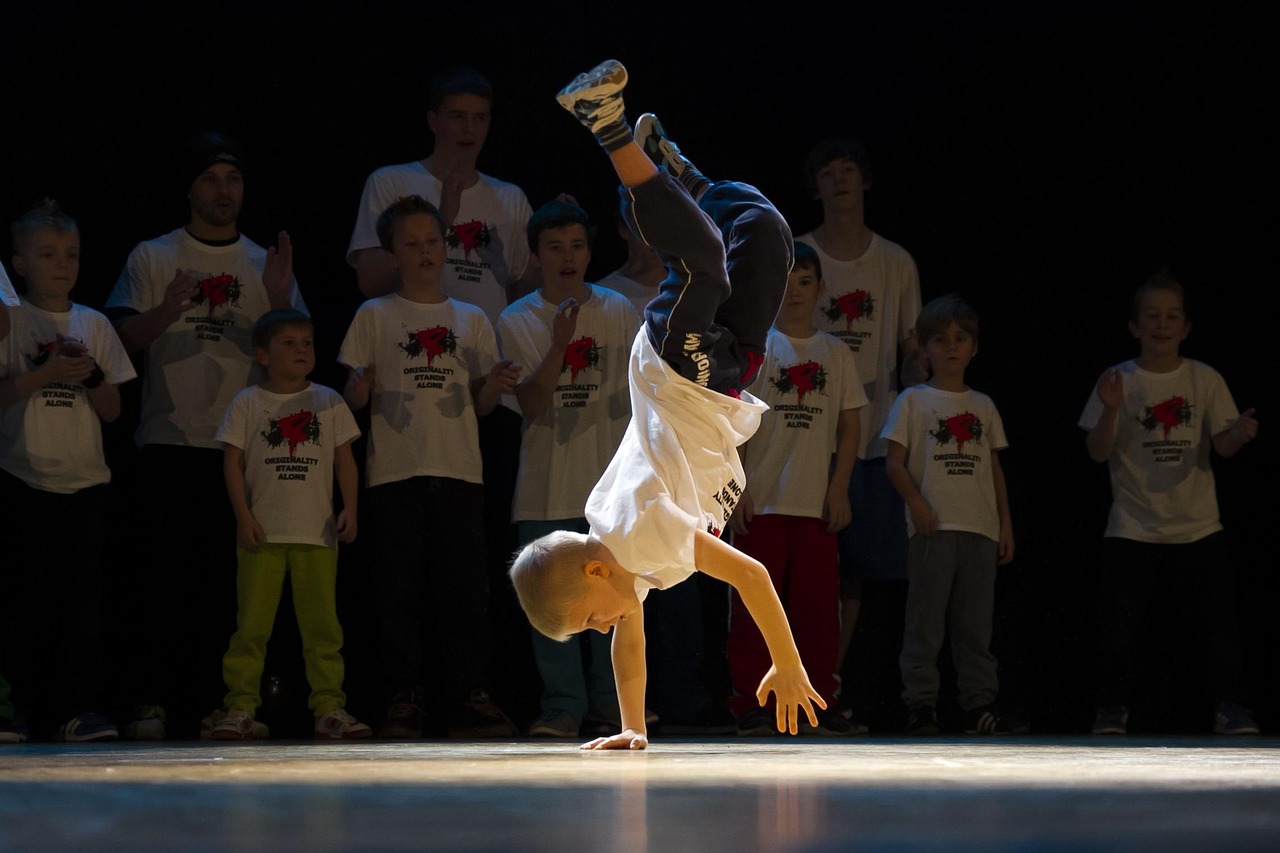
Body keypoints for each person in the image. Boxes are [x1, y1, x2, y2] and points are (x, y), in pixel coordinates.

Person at [510, 59, 822, 751]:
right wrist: (630, 727)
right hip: (721, 382)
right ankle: (679, 173)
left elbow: (752, 573)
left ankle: (607, 126)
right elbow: (631, 645)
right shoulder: (628, 563)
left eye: (590, 619)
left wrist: (787, 660)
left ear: (596, 572)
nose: (604, 628)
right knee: (767, 236)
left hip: (678, 371)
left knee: (702, 262)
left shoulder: (635, 535)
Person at [105, 131, 306, 737]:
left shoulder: (259, 261)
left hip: (239, 445)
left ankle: (226, 703)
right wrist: (166, 312)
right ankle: (153, 699)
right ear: (190, 188)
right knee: (162, 578)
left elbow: (297, 352)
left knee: (231, 587)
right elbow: (113, 342)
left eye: (234, 179)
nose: (224, 191)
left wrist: (275, 297)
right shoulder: (153, 255)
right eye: (212, 179)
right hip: (169, 439)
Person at [339, 194, 520, 739]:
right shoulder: (375, 315)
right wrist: (361, 388)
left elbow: (483, 404)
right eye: (411, 243)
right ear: (393, 252)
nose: (424, 252)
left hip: (459, 470)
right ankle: (403, 696)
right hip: (394, 472)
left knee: (463, 589)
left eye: (432, 241)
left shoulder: (470, 319)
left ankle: (470, 692)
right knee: (399, 590)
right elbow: (352, 397)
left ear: (446, 246)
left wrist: (490, 385)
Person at [1080, 270, 1259, 736]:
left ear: (1186, 328)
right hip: (1132, 525)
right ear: (1135, 326)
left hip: (1197, 524)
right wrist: (1113, 408)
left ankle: (1230, 706)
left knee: (1217, 629)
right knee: (1118, 629)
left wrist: (1237, 435)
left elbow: (1221, 445)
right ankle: (1111, 708)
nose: (1162, 324)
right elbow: (1098, 452)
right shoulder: (1118, 379)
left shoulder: (1204, 378)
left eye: (1172, 316)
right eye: (1152, 316)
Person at [498, 200, 640, 737]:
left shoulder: (618, 308)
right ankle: (562, 705)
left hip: (609, 487)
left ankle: (612, 704)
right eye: (554, 247)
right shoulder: (517, 318)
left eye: (577, 246)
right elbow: (531, 405)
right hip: (545, 484)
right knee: (552, 604)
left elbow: (637, 393)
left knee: (615, 599)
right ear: (536, 255)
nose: (568, 257)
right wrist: (559, 345)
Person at [0, 200, 136, 741]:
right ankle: (15, 707)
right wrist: (46, 373)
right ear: (19, 263)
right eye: (48, 254)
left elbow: (113, 410)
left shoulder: (96, 323)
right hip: (20, 477)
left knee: (79, 606)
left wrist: (92, 373)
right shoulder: (10, 322)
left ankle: (76, 709)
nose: (63, 264)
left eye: (72, 254)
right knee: (17, 601)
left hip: (83, 483)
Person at [798, 138, 923, 724]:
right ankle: (794, 686)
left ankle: (839, 687)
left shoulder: (894, 262)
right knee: (808, 572)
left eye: (849, 171)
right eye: (828, 172)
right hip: (802, 443)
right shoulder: (796, 253)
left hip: (872, 441)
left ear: (866, 182)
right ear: (816, 185)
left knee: (868, 575)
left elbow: (909, 352)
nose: (840, 181)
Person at [203, 309, 371, 741]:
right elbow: (232, 462)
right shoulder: (248, 402)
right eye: (289, 343)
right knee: (252, 627)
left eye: (307, 342)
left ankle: (330, 709)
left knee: (322, 629)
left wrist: (349, 506)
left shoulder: (328, 401)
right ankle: (240, 706)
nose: (301, 350)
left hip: (316, 535)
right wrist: (243, 516)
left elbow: (345, 461)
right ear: (263, 354)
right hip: (263, 535)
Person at [729, 242, 867, 737]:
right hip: (761, 500)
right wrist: (736, 488)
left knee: (815, 611)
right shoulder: (756, 346)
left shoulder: (835, 353)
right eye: (785, 282)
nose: (794, 292)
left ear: (820, 289)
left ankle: (816, 705)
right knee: (752, 610)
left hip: (814, 504)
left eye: (804, 281)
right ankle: (751, 704)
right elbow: (735, 423)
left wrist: (840, 487)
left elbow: (850, 426)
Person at [882, 294, 1022, 735]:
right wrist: (918, 504)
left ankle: (978, 705)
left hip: (979, 530)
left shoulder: (982, 405)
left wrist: (1005, 523)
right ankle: (921, 704)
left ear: (974, 347)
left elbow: (993, 467)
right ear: (925, 348)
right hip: (933, 529)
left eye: (961, 339)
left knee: (974, 628)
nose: (952, 347)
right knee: (925, 624)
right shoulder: (914, 400)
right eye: (941, 340)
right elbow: (894, 462)